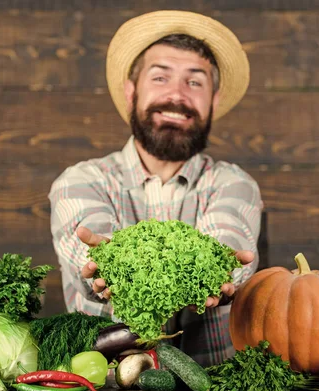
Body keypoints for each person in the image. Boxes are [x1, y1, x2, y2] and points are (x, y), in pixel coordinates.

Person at [49, 10, 263, 367]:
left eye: (195, 82)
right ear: (131, 92)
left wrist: (221, 270)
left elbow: (228, 241)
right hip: (108, 385)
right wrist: (104, 266)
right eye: (161, 78)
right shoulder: (81, 181)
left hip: (214, 386)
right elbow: (90, 250)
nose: (177, 95)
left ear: (214, 100)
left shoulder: (233, 183)